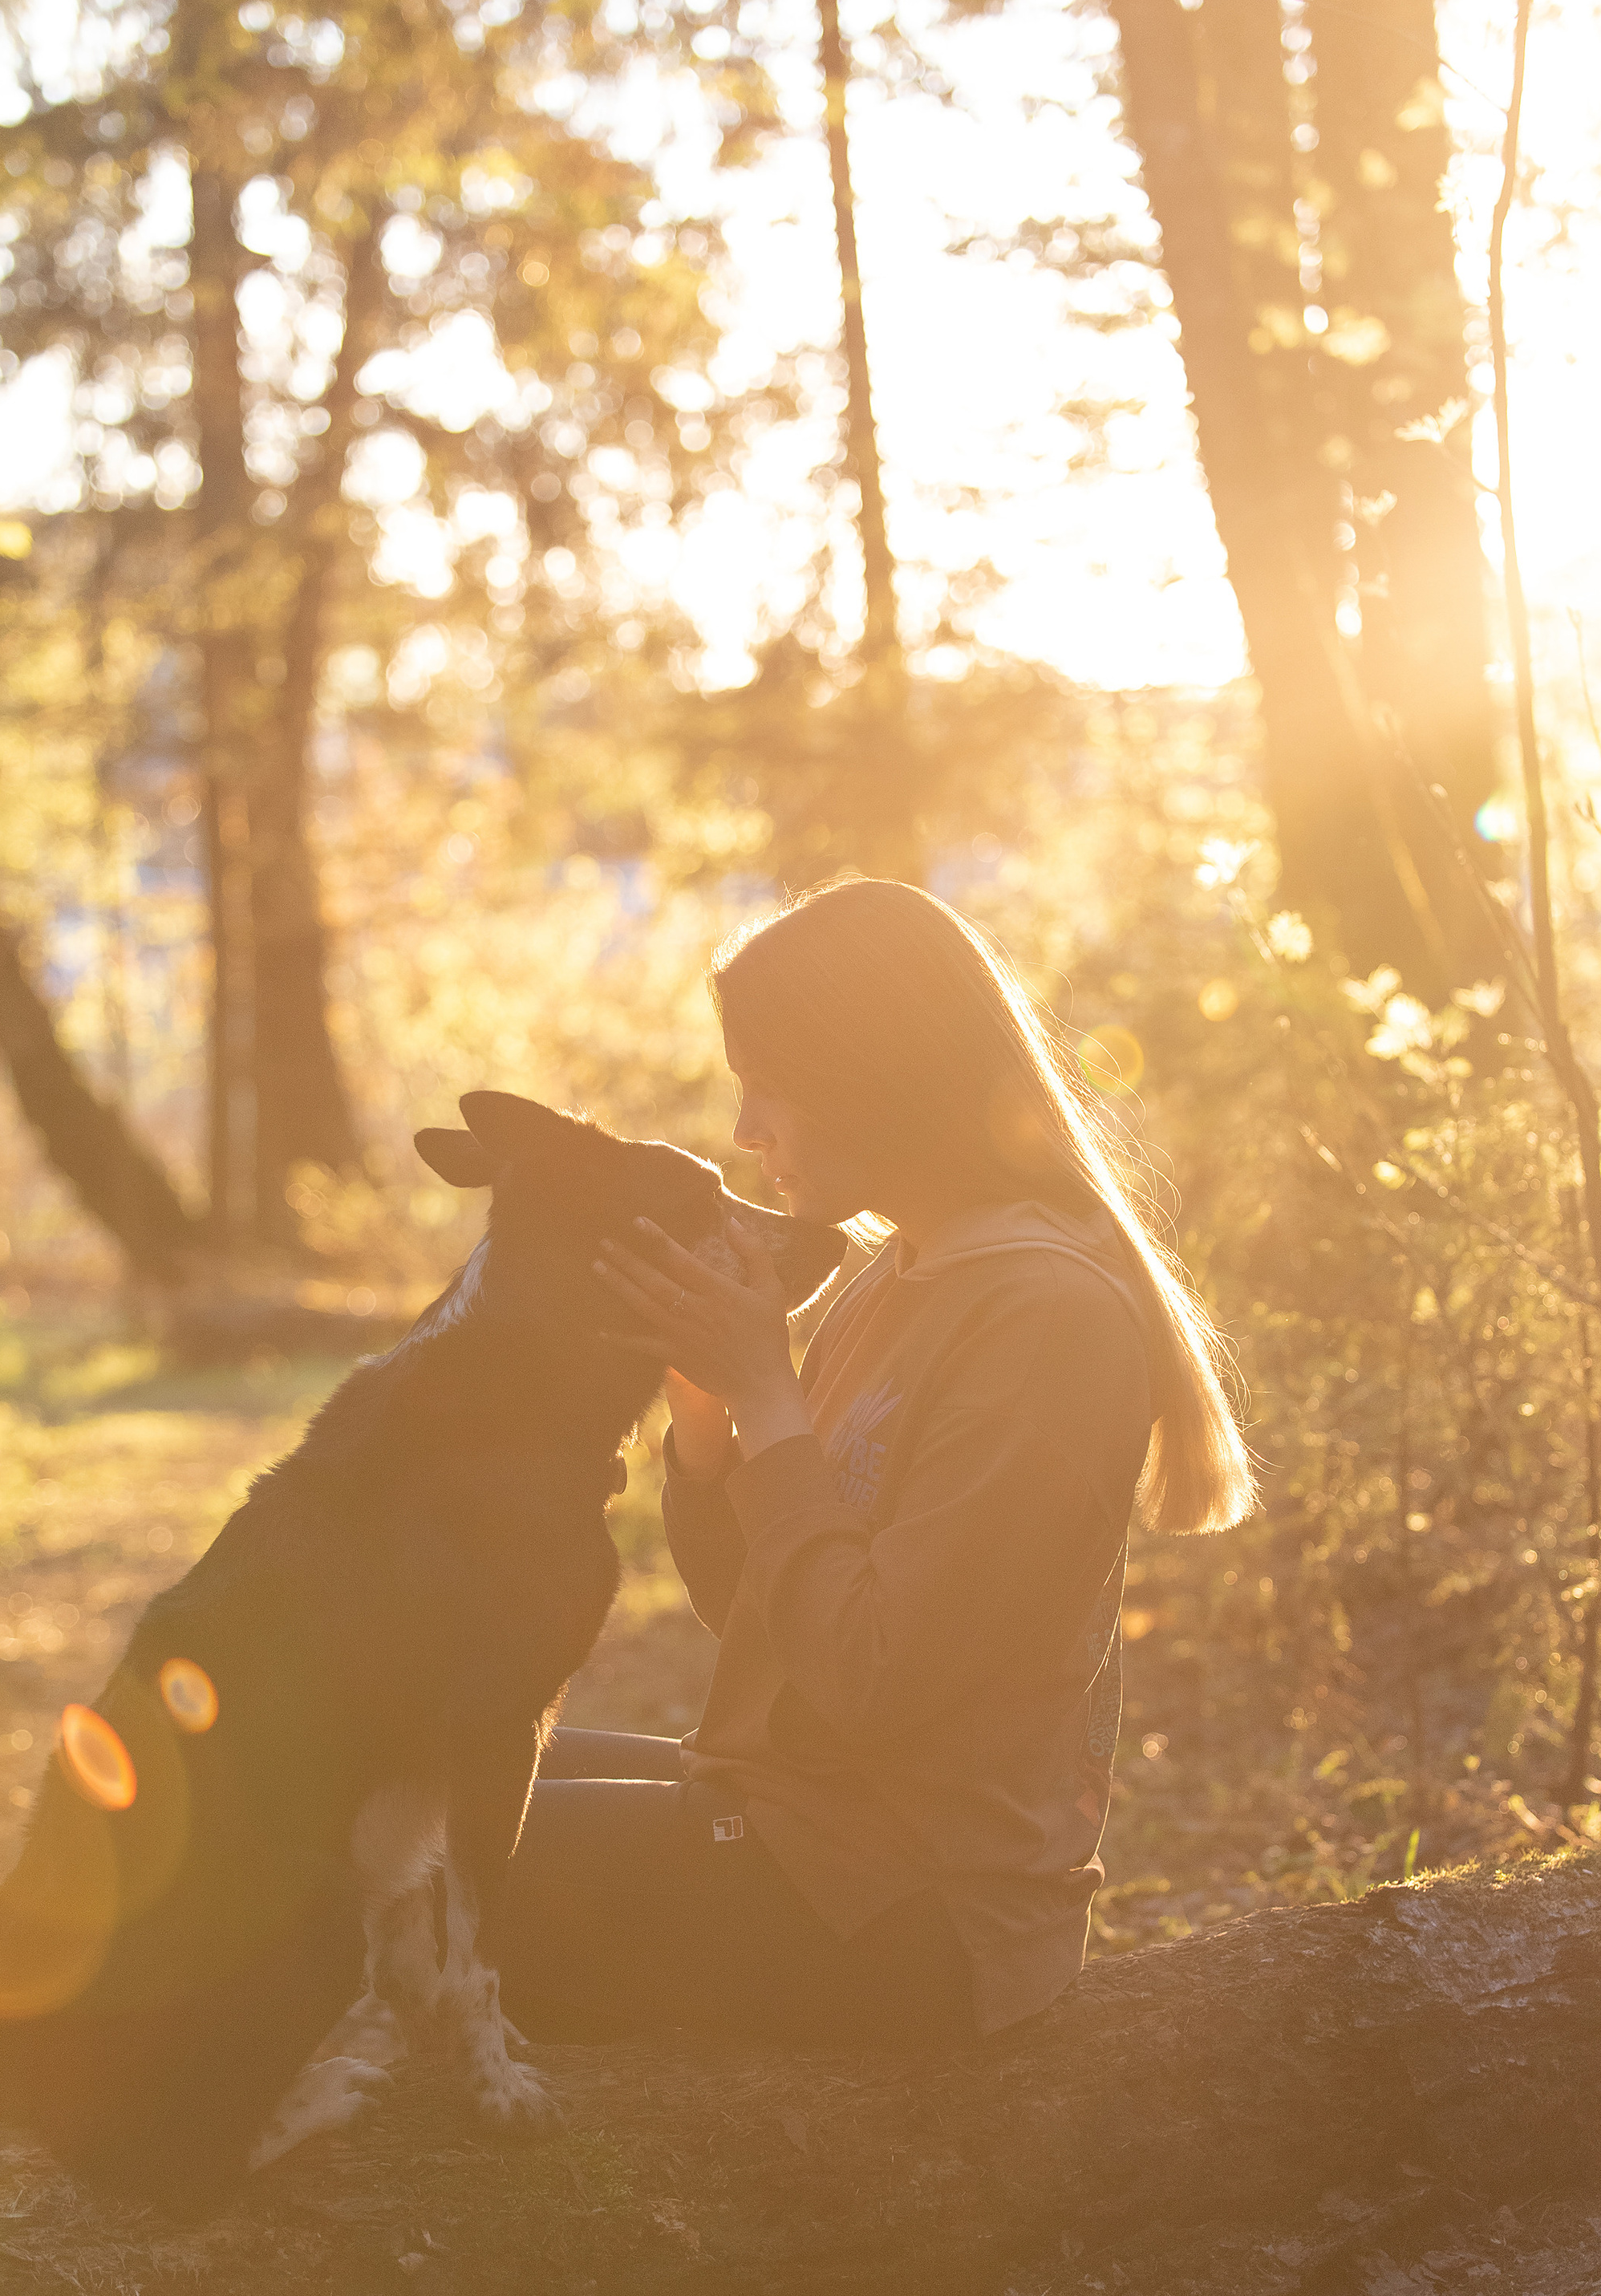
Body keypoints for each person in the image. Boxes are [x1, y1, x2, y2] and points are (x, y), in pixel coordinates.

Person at [491, 876, 1254, 2055]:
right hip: (798, 1818)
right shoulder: (895, 1275)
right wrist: (708, 1416)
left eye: (769, 1083)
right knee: (432, 1771)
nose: (747, 1129)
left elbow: (869, 1678)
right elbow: (760, 1618)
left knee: (432, 1856)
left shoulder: (1046, 1317)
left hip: (915, 1912)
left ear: (872, 1074)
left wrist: (767, 1394)